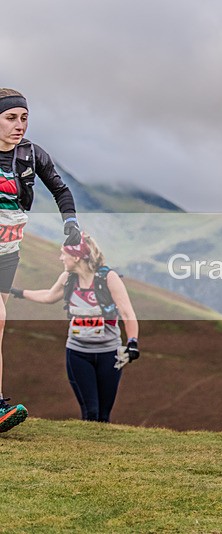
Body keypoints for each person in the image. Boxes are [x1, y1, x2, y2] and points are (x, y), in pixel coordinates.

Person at [0, 88, 81, 432]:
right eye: (11, 118)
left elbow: (60, 189)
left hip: (8, 253)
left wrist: (70, 222)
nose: (20, 125)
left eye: (24, 118)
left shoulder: (32, 154)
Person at [10, 233, 139, 422]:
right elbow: (49, 296)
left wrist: (133, 342)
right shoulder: (68, 278)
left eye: (64, 254)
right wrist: (17, 292)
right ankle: (87, 448)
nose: (61, 258)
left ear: (76, 257)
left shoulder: (108, 278)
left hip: (109, 353)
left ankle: (101, 449)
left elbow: (128, 313)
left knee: (104, 414)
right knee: (90, 412)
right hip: (78, 352)